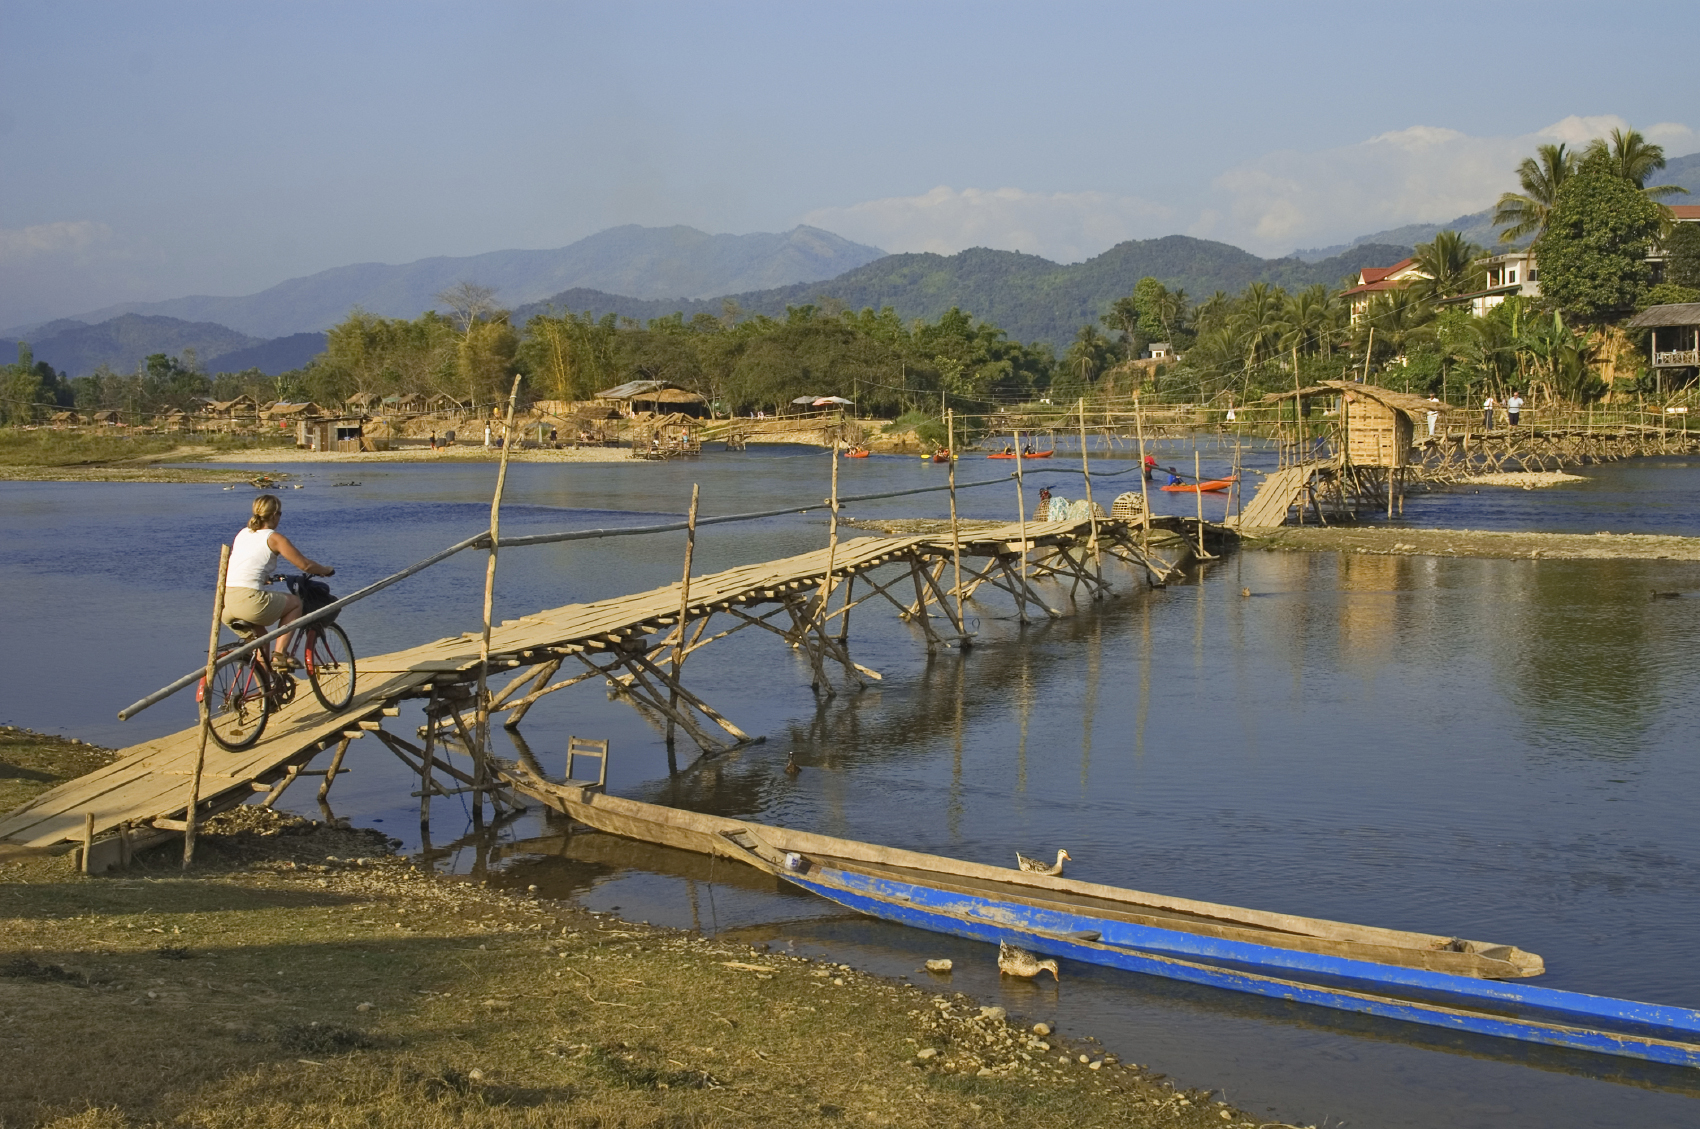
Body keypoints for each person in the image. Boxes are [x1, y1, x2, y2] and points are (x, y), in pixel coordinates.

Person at [223, 495, 334, 673]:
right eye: (280, 514)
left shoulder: (243, 533)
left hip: (226, 604)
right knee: (295, 603)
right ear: (274, 515)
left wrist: (263, 578)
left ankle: (265, 688)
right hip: (249, 602)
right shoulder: (274, 538)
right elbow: (305, 565)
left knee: (261, 643)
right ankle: (280, 654)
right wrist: (325, 570)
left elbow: (246, 565)